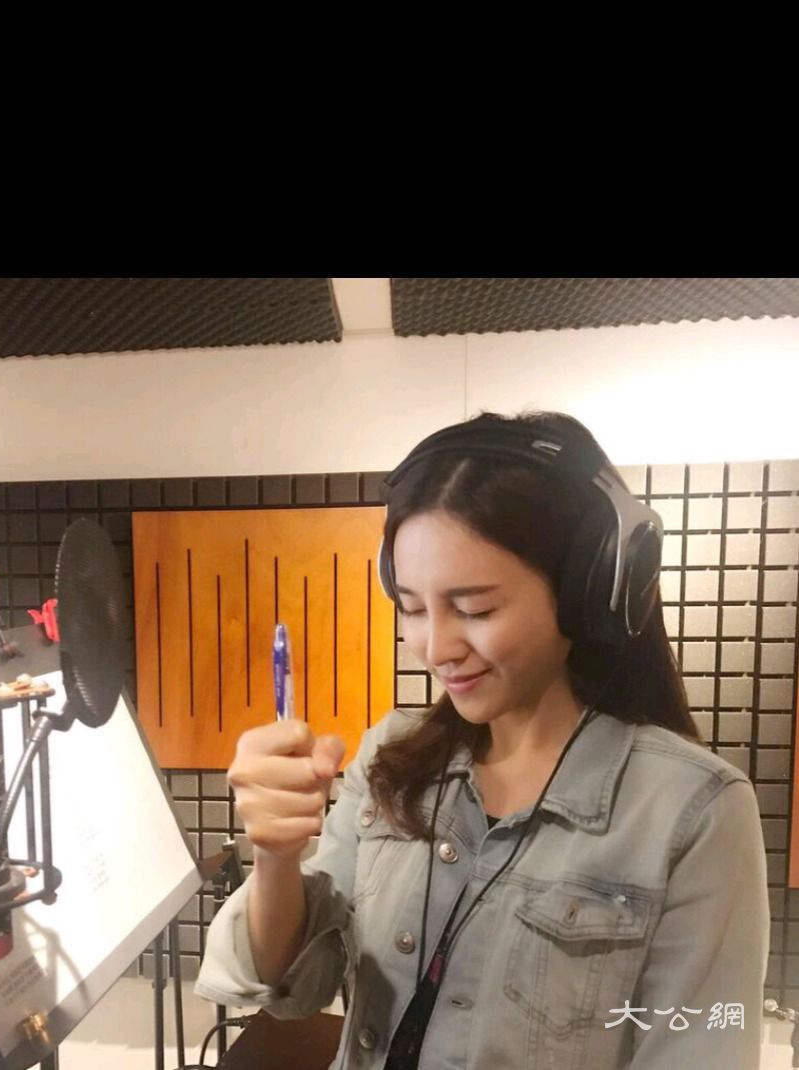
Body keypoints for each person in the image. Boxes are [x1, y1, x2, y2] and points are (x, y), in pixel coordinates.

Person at [195, 411, 770, 1069]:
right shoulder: (390, 758)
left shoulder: (692, 813)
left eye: (474, 609)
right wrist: (275, 856)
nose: (435, 647)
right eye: (412, 607)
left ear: (585, 591)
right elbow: (293, 985)